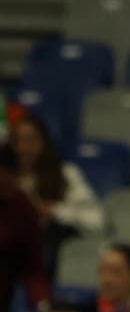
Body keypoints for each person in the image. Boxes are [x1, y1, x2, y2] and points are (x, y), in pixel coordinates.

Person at [9, 112, 105, 274]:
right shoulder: (5, 178)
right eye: (17, 141)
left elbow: (96, 221)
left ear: (44, 143)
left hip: (50, 253)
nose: (23, 148)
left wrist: (54, 210)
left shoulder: (65, 174)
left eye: (30, 140)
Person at [0, 142, 50, 312]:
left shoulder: (22, 208)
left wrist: (42, 300)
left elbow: (33, 265)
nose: (9, 183)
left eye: (12, 176)